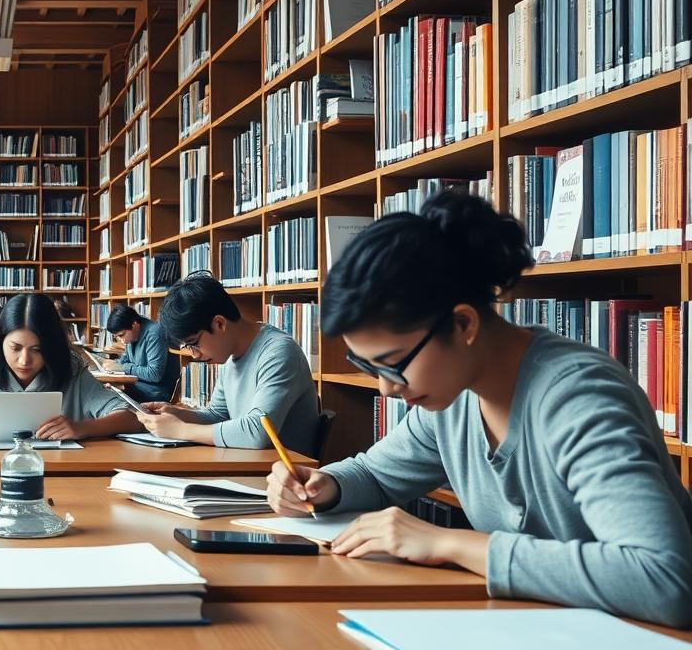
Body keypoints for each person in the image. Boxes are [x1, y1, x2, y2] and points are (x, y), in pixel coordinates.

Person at [266, 190, 692, 628]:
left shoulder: (579, 398)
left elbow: (665, 579)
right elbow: (376, 475)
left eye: (394, 364)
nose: (387, 389)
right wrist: (324, 486)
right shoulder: (453, 398)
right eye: (367, 365)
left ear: (463, 323)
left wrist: (452, 545)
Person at [0, 293, 141, 441]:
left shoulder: (71, 372)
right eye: (15, 347)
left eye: (37, 349)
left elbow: (130, 416)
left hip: (62, 472)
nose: (24, 360)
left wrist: (79, 428)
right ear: (0, 340)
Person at [135, 273, 320, 454]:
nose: (194, 355)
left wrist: (179, 430)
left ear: (220, 324)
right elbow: (218, 415)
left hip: (284, 475)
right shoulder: (231, 355)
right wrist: (177, 414)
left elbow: (258, 431)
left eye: (194, 344)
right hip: (245, 464)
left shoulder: (278, 352)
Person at [104, 306, 179, 402]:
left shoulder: (155, 333)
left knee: (110, 395)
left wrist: (123, 367)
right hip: (138, 384)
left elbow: (154, 374)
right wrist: (113, 364)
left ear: (134, 325)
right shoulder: (131, 334)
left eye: (121, 335)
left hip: (156, 391)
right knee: (107, 389)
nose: (120, 339)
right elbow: (124, 359)